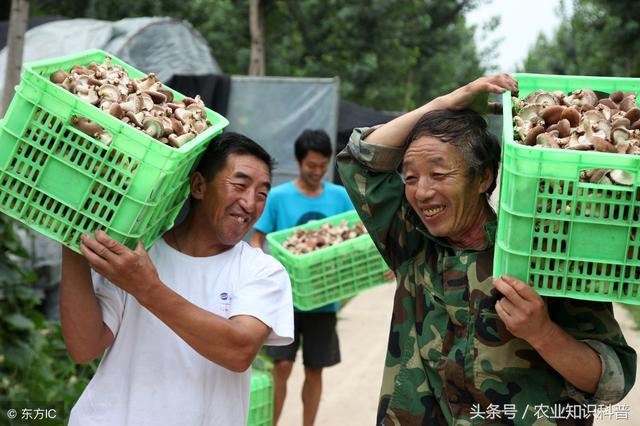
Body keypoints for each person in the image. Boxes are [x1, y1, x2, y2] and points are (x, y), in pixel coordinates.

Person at [336, 75, 637, 425]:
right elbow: (361, 158)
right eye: (411, 177)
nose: (421, 192)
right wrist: (445, 101)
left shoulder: (545, 252)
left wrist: (542, 332)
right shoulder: (411, 242)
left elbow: (612, 381)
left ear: (483, 178)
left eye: (438, 173)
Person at [60, 132, 294, 426]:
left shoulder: (262, 271)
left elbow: (239, 350)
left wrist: (147, 288)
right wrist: (70, 239)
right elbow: (84, 347)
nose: (250, 203)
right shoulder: (137, 255)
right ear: (198, 185)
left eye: (262, 194)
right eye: (240, 185)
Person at [249, 129, 354, 426]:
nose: (317, 172)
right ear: (298, 162)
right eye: (312, 165)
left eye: (323, 165)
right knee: (281, 366)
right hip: (285, 300)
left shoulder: (340, 197)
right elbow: (258, 239)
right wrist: (261, 264)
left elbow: (355, 236)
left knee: (315, 368)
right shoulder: (279, 197)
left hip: (324, 298)